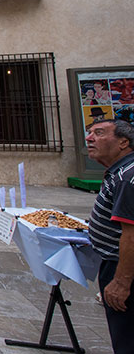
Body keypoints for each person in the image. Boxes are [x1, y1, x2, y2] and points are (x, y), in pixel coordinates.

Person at [87, 119, 134, 353]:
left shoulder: (128, 177)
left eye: (99, 133)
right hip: (112, 261)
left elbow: (131, 234)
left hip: (123, 267)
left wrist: (122, 282)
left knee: (126, 337)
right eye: (89, 133)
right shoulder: (119, 171)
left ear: (123, 142)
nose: (89, 138)